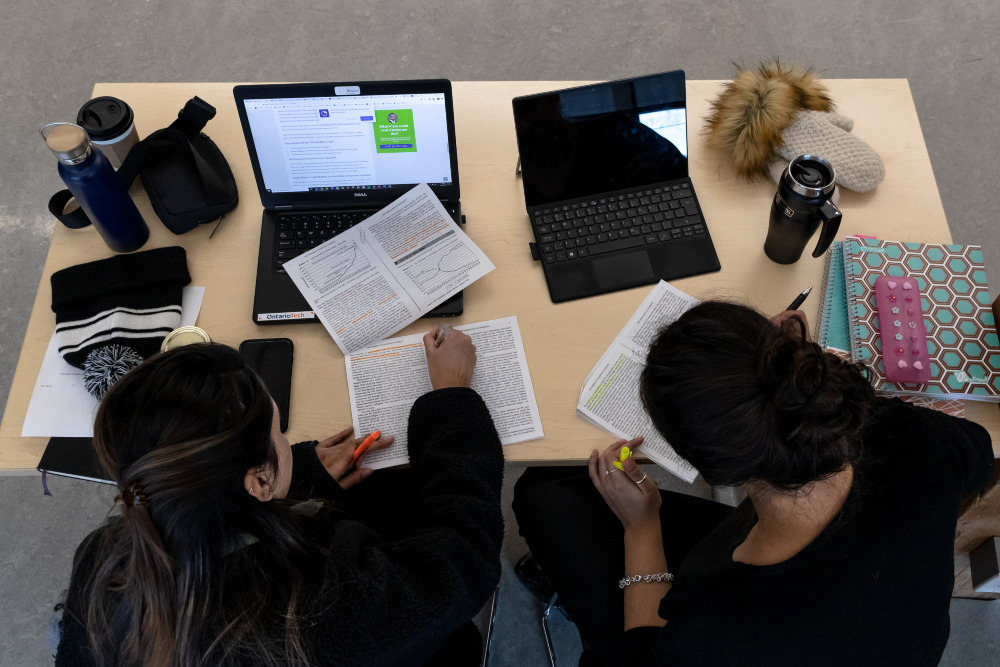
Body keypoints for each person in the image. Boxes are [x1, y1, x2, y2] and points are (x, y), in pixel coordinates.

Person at [513, 302, 994, 667]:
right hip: (887, 621)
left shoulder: (723, 617)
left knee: (541, 493)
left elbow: (645, 654)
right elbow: (976, 454)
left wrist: (642, 526)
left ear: (711, 469)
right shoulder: (910, 436)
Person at [55, 327, 504, 667]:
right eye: (279, 433)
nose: (289, 443)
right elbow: (462, 555)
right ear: (258, 483)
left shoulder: (101, 563)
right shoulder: (329, 605)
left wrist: (299, 476)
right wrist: (452, 398)